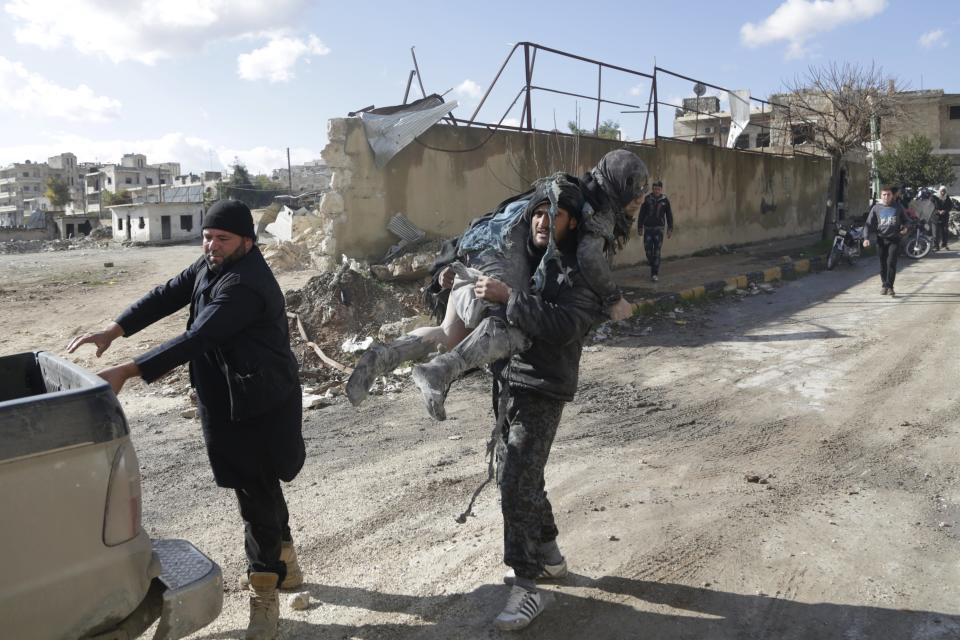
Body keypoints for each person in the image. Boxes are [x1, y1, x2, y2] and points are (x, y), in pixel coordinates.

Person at [67, 200, 304, 640]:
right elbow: (169, 292)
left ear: (247, 242)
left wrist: (127, 371)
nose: (211, 245)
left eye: (222, 238)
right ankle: (284, 558)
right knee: (257, 483)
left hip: (260, 401)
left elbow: (199, 337)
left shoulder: (245, 284)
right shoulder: (214, 262)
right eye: (208, 236)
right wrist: (114, 330)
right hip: (227, 394)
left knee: (255, 492)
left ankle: (265, 591)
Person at [346, 151, 649, 421]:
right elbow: (588, 256)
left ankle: (380, 357)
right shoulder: (591, 206)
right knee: (511, 324)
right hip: (501, 248)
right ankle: (441, 371)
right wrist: (614, 298)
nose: (639, 199)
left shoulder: (578, 189)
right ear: (619, 184)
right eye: (636, 190)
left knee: (449, 333)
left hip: (478, 244)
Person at [465, 187, 604, 631]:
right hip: (510, 380)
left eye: (556, 214)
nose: (545, 221)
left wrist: (510, 298)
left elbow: (565, 326)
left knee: (515, 480)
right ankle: (548, 555)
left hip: (544, 385)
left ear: (573, 223)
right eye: (539, 213)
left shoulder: (581, 270)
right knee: (524, 473)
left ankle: (525, 587)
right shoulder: (523, 258)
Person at [862, 185, 909, 297]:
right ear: (881, 196)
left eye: (888, 194)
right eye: (884, 195)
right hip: (881, 239)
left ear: (892, 196)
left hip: (894, 239)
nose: (886, 197)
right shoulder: (876, 208)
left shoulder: (898, 207)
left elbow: (907, 220)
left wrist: (906, 228)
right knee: (883, 264)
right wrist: (866, 238)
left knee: (891, 262)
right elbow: (868, 225)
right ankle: (884, 285)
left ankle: (890, 287)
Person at [637, 180, 674, 282]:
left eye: (658, 189)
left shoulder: (665, 200)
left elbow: (669, 215)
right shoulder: (647, 199)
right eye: (654, 189)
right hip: (648, 229)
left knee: (657, 252)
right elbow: (641, 214)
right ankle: (652, 263)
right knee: (648, 251)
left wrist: (670, 228)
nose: (656, 191)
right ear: (652, 189)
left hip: (659, 230)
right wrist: (639, 227)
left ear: (661, 189)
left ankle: (654, 273)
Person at [932, 186, 954, 251]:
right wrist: (937, 211)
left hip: (944, 217)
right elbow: (930, 206)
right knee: (935, 233)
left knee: (945, 231)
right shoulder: (934, 197)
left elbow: (950, 206)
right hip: (935, 217)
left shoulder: (947, 197)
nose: (942, 192)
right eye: (941, 191)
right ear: (939, 191)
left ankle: (944, 244)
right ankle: (936, 246)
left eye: (944, 191)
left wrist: (945, 211)